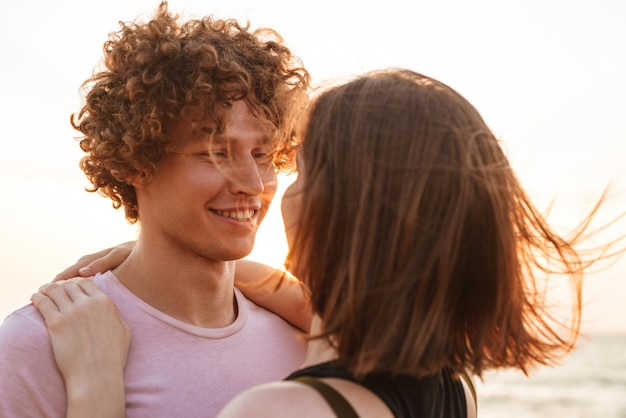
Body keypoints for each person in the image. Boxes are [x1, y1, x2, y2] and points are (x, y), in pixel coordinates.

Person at [33, 68, 624, 417]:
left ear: (347, 213)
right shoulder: (448, 389)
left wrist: (94, 388)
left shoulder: (279, 412)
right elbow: (303, 302)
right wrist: (165, 261)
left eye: (296, 169)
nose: (266, 188)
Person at [0, 2, 312, 417]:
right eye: (216, 153)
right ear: (136, 163)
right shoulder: (39, 345)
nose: (253, 186)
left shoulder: (305, 336)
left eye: (261, 154)